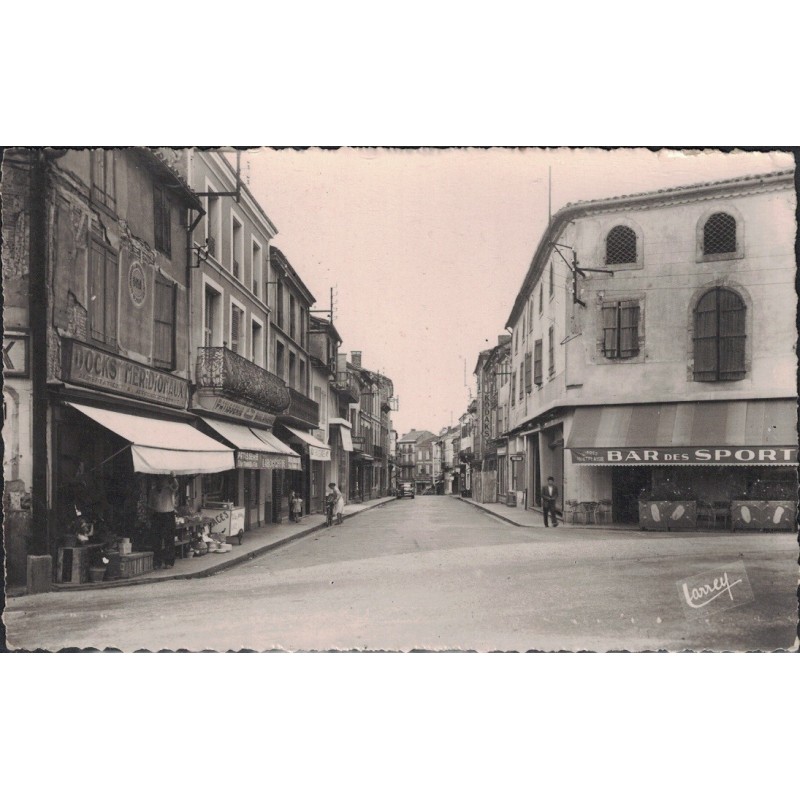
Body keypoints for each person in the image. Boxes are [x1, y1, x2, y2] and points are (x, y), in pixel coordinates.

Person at [148, 473, 178, 568]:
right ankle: (157, 562)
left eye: (162, 480)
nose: (160, 482)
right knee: (156, 540)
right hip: (157, 515)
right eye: (158, 480)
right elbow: (150, 506)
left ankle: (169, 562)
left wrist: (173, 477)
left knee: (169, 539)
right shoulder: (152, 492)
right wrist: (150, 517)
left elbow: (176, 486)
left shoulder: (169, 490)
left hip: (168, 515)